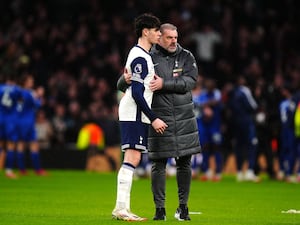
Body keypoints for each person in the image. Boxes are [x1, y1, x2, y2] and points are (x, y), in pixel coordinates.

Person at [119, 23, 201, 221]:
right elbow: (123, 85)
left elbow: (191, 81)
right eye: (169, 37)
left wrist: (165, 84)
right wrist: (124, 80)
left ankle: (183, 207)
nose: (174, 41)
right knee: (158, 164)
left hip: (184, 118)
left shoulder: (186, 56)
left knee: (184, 163)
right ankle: (160, 209)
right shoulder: (148, 56)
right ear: (160, 37)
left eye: (176, 37)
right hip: (158, 116)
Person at [112, 13, 167, 221]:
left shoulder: (141, 55)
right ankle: (121, 208)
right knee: (132, 157)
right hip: (134, 112)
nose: (159, 34)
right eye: (156, 31)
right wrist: (154, 117)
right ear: (146, 31)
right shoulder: (140, 57)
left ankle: (121, 208)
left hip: (135, 112)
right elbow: (136, 93)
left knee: (133, 157)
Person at [228, 76, 260, 182]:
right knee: (252, 144)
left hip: (236, 123)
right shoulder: (244, 90)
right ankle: (250, 171)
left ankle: (239, 172)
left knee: (239, 146)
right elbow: (253, 105)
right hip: (246, 122)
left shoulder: (233, 92)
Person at [16, 73, 47, 176]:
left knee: (23, 144)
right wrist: (39, 95)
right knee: (30, 144)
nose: (32, 83)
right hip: (27, 121)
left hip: (20, 120)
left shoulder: (17, 92)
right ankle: (37, 170)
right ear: (25, 82)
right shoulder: (29, 93)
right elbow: (37, 104)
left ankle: (23, 170)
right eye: (30, 81)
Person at [193, 77, 223, 181]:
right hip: (205, 126)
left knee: (216, 147)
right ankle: (207, 171)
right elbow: (200, 104)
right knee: (205, 147)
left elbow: (217, 102)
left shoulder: (217, 94)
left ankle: (218, 172)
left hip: (215, 126)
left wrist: (206, 105)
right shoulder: (203, 95)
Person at [0, 74, 22, 178]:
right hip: (10, 121)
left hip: (0, 118)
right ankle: (8, 171)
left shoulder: (0, 88)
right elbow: (21, 103)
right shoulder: (16, 90)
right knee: (10, 146)